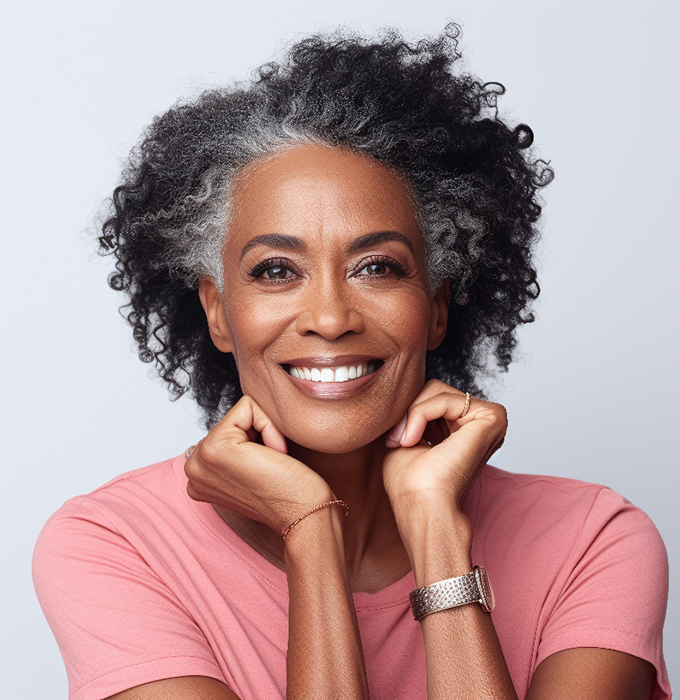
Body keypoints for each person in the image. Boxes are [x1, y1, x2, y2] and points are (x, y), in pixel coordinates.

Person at [32, 23, 671, 700]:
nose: (331, 317)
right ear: (219, 313)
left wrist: (435, 531)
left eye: (377, 266)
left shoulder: (593, 542)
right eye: (277, 270)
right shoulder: (114, 547)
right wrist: (313, 536)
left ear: (437, 306)